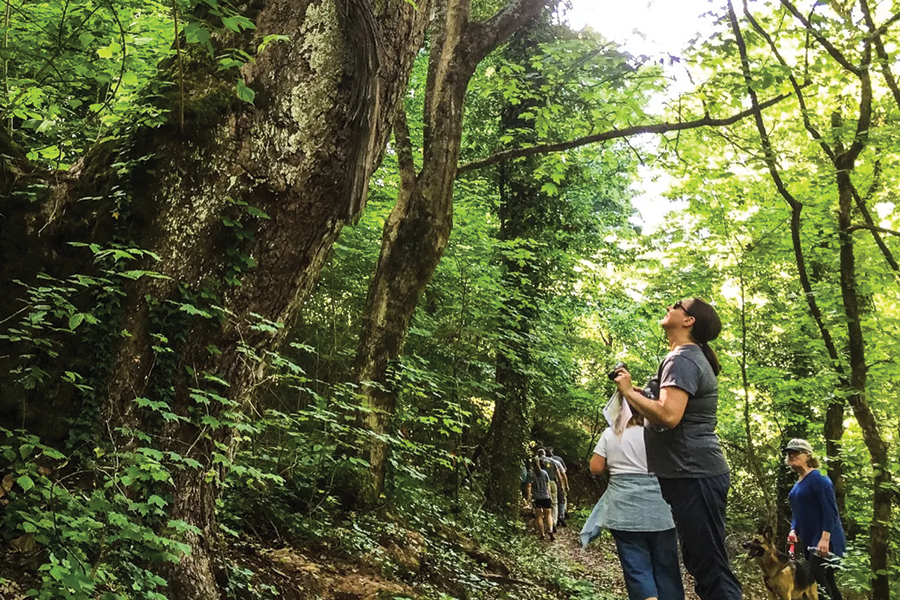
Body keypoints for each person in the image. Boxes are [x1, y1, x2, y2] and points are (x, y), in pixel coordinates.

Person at [613, 297, 742, 600]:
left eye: (677, 304)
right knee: (702, 563)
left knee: (710, 567)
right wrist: (633, 396)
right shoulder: (682, 357)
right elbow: (658, 411)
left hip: (695, 474)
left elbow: (670, 416)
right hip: (687, 475)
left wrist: (630, 391)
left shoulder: (683, 359)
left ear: (689, 321)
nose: (669, 306)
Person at [582, 411, 684, 600]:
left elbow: (595, 468)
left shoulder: (610, 433)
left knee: (636, 569)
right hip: (660, 508)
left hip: (623, 510)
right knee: (667, 568)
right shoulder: (659, 433)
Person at [784, 438, 845, 600]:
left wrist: (825, 538)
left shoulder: (819, 478)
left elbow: (830, 511)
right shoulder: (798, 483)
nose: (791, 455)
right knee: (827, 580)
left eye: (796, 452)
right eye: (789, 453)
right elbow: (797, 512)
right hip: (810, 540)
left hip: (826, 538)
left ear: (808, 455)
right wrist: (793, 529)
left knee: (815, 580)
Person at [525, 457, 554, 541]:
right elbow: (548, 485)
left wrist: (528, 497)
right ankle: (551, 530)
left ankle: (542, 533)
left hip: (537, 498)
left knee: (539, 516)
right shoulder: (544, 473)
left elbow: (529, 486)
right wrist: (549, 495)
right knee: (548, 515)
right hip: (546, 496)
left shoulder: (530, 474)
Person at [536, 448, 561, 530]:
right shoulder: (552, 461)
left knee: (541, 503)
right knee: (554, 503)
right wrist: (560, 484)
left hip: (541, 484)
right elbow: (558, 473)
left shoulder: (537, 461)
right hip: (552, 482)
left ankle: (545, 523)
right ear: (545, 454)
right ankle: (554, 522)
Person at [546, 447, 569, 527]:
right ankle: (561, 515)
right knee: (561, 499)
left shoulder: (542, 461)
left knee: (552, 501)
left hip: (547, 483)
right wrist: (565, 484)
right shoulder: (558, 460)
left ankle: (552, 519)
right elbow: (563, 472)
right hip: (558, 482)